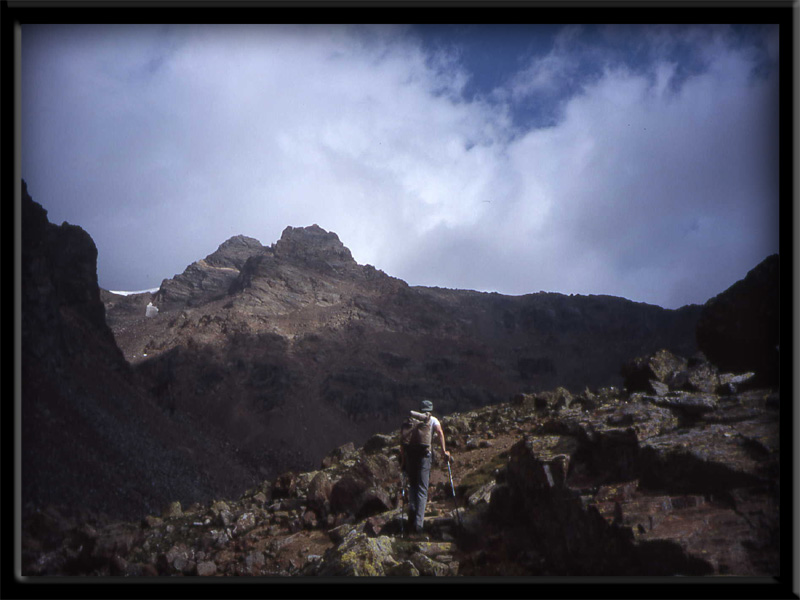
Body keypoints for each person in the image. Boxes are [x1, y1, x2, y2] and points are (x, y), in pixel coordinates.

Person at [399, 399, 450, 535]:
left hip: (410, 457)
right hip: (424, 457)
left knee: (413, 487)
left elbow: (403, 443)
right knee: (422, 489)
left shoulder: (412, 421)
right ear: (431, 409)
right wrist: (444, 451)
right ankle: (418, 525)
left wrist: (403, 462)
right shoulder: (432, 420)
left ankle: (411, 515)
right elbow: (439, 432)